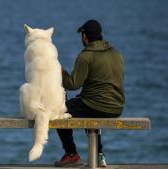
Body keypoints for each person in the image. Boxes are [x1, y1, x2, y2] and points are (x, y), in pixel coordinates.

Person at [54, 20, 125, 167]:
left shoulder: (86, 56)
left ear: (84, 37)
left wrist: (61, 71)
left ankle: (71, 154)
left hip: (96, 106)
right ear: (100, 35)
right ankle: (99, 155)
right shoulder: (116, 53)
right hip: (116, 107)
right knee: (86, 105)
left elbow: (72, 84)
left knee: (58, 112)